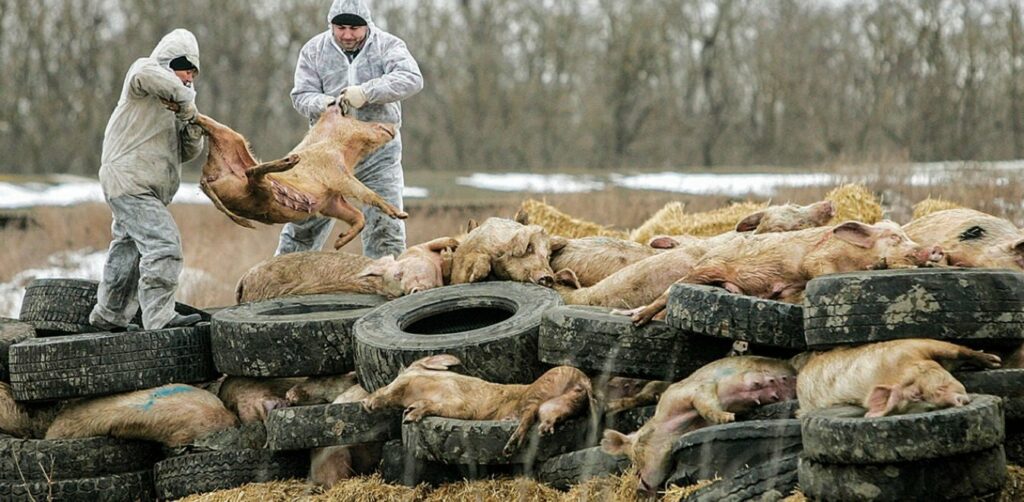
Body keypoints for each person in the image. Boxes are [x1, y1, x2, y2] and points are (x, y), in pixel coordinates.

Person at [281, 0, 423, 259]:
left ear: (367, 25)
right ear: (331, 25)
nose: (347, 35)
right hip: (324, 155)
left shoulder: (388, 46)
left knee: (386, 227)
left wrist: (367, 92)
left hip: (378, 154)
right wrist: (322, 104)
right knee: (303, 222)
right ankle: (279, 283)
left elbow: (412, 78)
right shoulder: (314, 50)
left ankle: (385, 289)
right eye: (341, 27)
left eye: (354, 28)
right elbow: (301, 95)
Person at [89, 29, 205, 331]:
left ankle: (108, 316)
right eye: (185, 69)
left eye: (193, 73)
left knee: (127, 252)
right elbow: (151, 74)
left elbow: (188, 152)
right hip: (130, 182)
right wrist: (185, 102)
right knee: (164, 246)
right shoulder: (143, 76)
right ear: (170, 64)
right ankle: (160, 318)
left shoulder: (178, 103)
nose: (189, 78)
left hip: (145, 189)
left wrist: (189, 120)